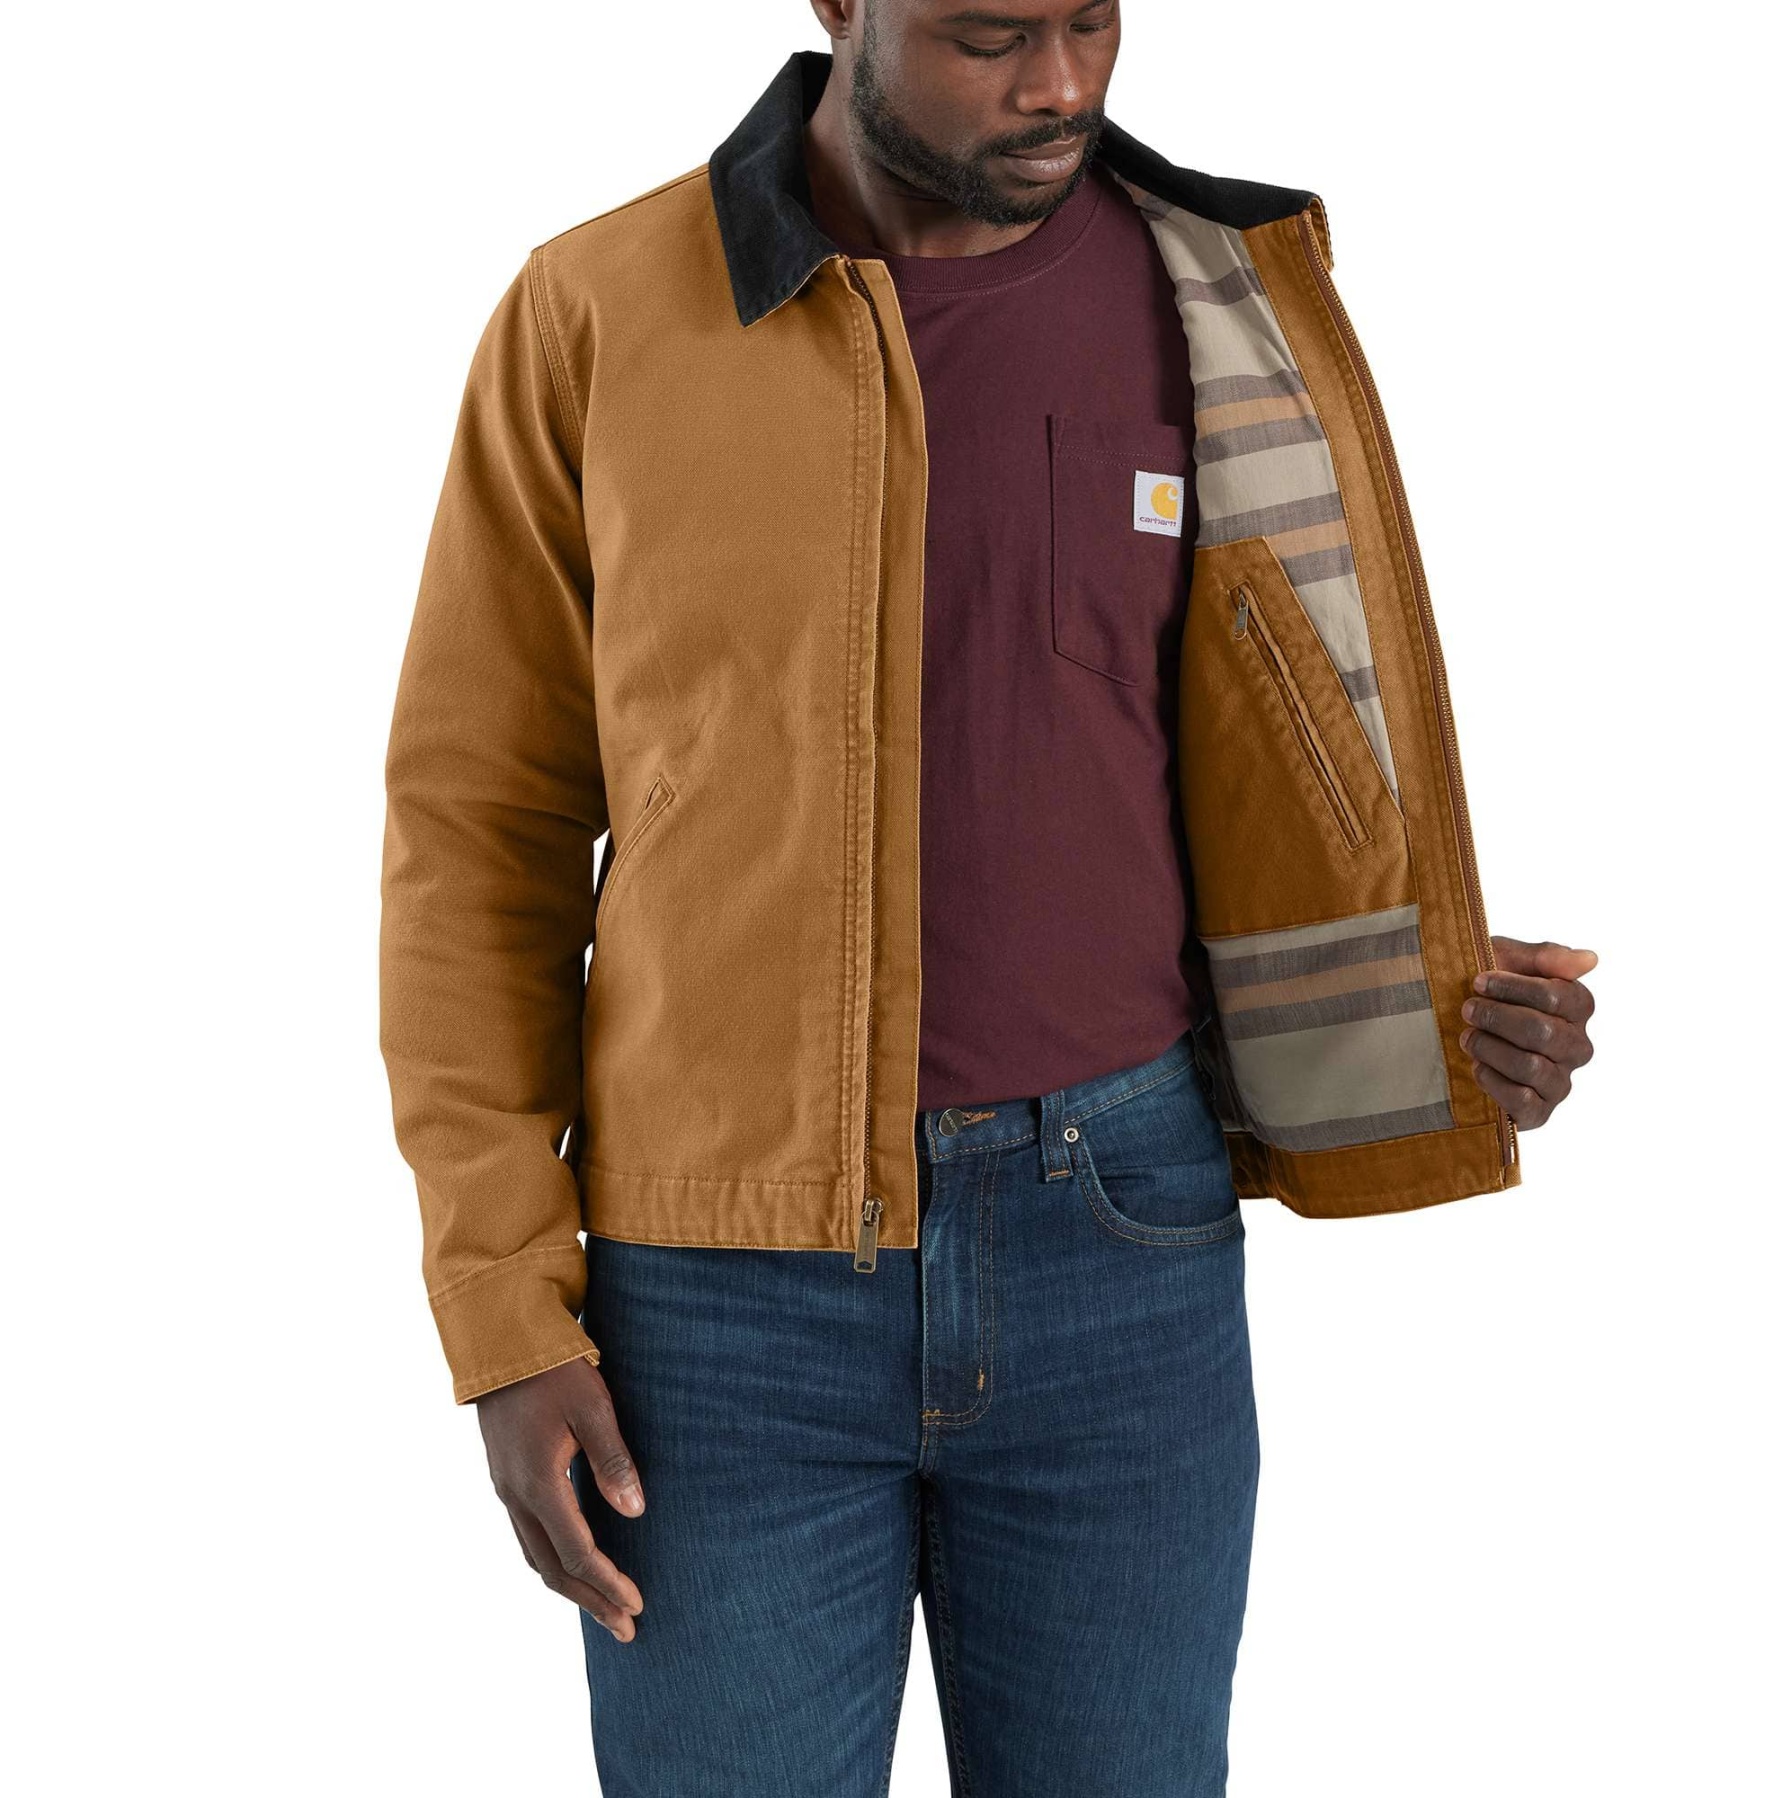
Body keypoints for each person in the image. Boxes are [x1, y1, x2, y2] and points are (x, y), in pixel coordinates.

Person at [379, 4, 1599, 1791]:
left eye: (1093, 20)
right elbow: (477, 829)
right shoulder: (596, 314)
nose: (1060, 83)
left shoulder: (1224, 303)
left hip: (1124, 1245)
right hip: (713, 1295)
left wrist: (1435, 1022)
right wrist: (502, 1311)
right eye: (990, 35)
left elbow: (1281, 762)